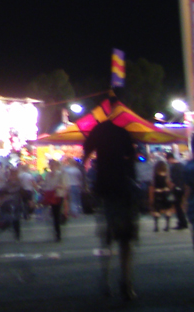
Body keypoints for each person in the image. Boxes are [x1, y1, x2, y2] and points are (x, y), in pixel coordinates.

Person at [82, 117, 138, 300]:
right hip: (122, 186)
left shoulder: (97, 131)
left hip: (104, 187)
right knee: (125, 239)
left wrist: (86, 185)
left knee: (106, 238)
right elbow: (132, 156)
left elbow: (86, 154)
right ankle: (125, 282)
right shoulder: (123, 131)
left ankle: (105, 281)